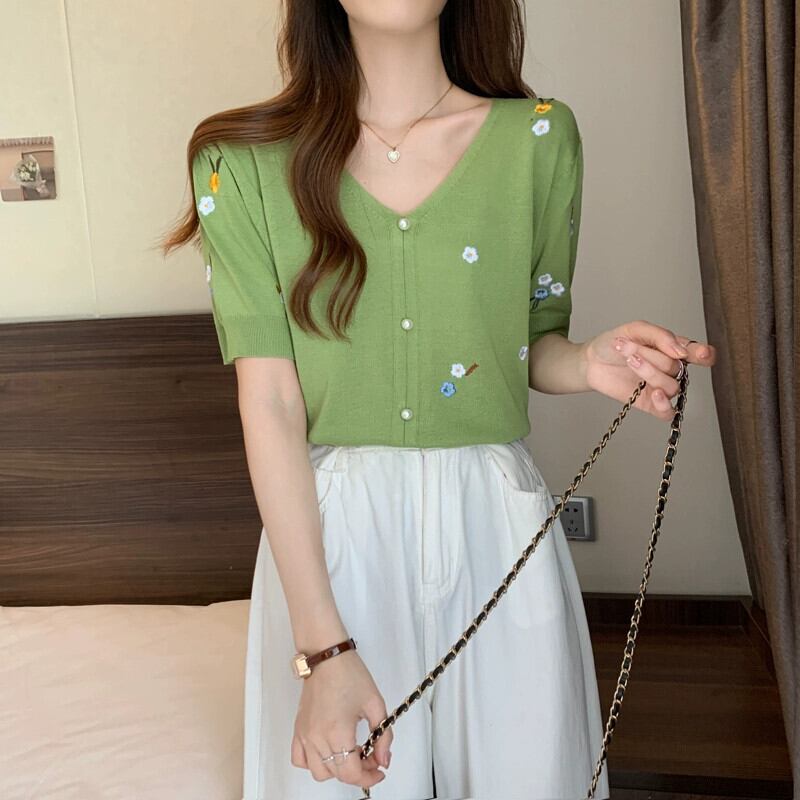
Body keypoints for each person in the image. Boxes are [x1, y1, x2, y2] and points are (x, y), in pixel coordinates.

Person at [165, 2, 717, 798]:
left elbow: (531, 341)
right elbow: (272, 403)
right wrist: (323, 648)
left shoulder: (539, 137)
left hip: (497, 523)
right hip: (333, 542)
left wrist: (588, 361)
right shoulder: (239, 162)